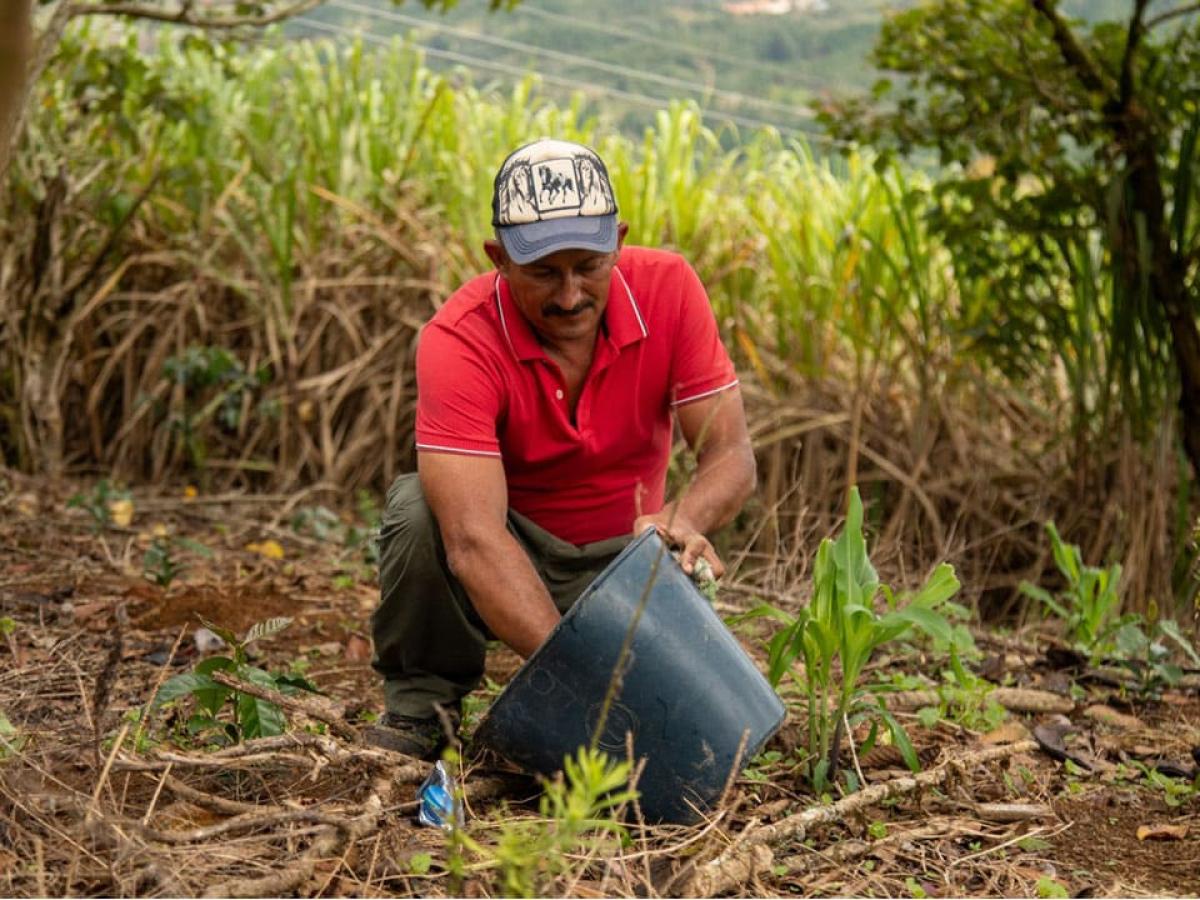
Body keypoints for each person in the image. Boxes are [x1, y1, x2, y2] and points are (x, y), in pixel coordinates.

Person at [367, 138, 756, 759]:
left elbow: (731, 454)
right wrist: (577, 680)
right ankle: (422, 708)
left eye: (589, 267)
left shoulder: (670, 291)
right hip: (508, 550)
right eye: (545, 272)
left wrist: (682, 523)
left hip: (626, 558)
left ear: (618, 243)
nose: (570, 295)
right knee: (420, 511)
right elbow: (472, 539)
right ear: (498, 258)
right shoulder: (458, 339)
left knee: (705, 737)